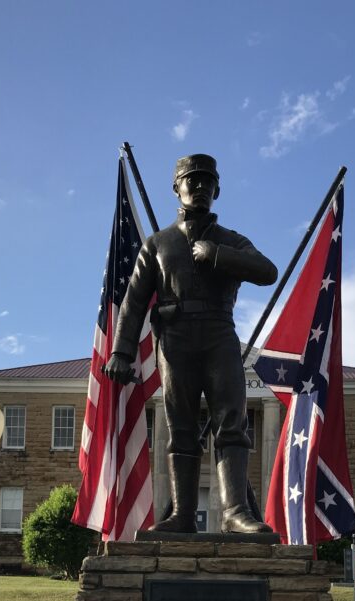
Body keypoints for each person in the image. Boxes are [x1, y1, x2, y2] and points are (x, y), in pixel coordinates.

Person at [104, 153, 277, 534]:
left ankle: (235, 512)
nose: (199, 188)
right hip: (175, 338)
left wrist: (217, 255)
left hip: (219, 334)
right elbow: (133, 301)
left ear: (217, 190)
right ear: (176, 188)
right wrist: (121, 351)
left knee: (231, 423)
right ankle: (182, 515)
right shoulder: (158, 243)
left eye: (207, 182)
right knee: (181, 426)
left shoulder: (231, 240)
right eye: (191, 180)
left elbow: (268, 271)